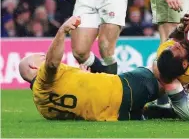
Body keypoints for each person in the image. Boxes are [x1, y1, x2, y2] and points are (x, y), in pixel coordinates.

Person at [19, 16, 161, 121]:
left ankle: (164, 109)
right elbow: (51, 64)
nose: (46, 57)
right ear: (34, 66)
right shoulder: (44, 80)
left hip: (113, 115)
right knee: (161, 69)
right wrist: (62, 31)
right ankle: (180, 98)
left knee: (152, 111)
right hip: (119, 91)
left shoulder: (42, 107)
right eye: (43, 57)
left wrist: (83, 77)